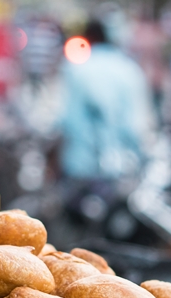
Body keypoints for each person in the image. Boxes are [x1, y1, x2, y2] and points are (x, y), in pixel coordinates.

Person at [60, 19, 154, 181]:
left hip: (82, 171)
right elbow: (138, 126)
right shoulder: (130, 69)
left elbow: (66, 119)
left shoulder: (75, 70)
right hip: (123, 170)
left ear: (88, 38)